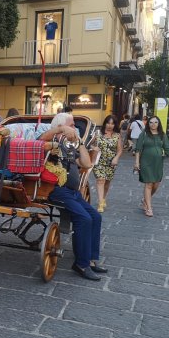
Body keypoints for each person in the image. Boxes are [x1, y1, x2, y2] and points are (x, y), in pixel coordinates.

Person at [38, 113, 104, 281]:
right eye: (72, 124)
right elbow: (38, 142)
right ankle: (81, 265)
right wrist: (60, 129)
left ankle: (89, 258)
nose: (75, 128)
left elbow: (87, 164)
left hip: (73, 192)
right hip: (56, 190)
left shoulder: (70, 145)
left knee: (95, 216)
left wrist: (80, 142)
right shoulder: (50, 140)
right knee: (84, 219)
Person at [134, 117, 169, 217]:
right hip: (145, 162)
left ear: (159, 124)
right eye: (151, 122)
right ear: (148, 124)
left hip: (158, 163)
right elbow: (138, 149)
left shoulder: (162, 135)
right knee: (149, 184)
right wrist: (137, 162)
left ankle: (145, 198)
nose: (153, 124)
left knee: (156, 185)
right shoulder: (144, 134)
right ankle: (149, 208)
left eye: (155, 122)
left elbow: (168, 149)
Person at [93, 115, 123, 213]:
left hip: (111, 162)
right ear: (105, 123)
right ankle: (100, 203)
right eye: (108, 123)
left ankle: (103, 198)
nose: (110, 125)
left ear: (115, 125)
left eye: (112, 123)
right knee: (100, 180)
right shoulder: (98, 134)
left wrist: (116, 158)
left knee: (107, 182)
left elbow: (119, 150)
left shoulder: (117, 136)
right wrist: (93, 148)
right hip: (99, 161)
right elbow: (89, 144)